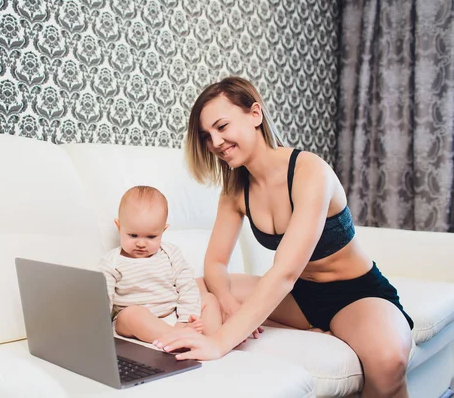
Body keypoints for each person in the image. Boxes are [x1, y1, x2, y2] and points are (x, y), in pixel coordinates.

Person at [152, 77, 414, 398]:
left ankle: (340, 329)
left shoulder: (309, 172)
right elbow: (216, 262)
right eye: (207, 136)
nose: (216, 142)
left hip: (354, 293)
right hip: (302, 297)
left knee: (389, 363)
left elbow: (284, 273)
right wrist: (227, 301)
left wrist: (219, 343)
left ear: (255, 114)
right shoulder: (235, 191)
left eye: (222, 126)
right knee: (200, 283)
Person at [99, 185, 223, 344]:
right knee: (131, 314)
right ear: (119, 227)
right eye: (133, 235)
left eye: (151, 237)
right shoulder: (111, 262)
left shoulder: (171, 253)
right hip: (136, 320)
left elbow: (187, 286)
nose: (141, 243)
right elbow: (104, 299)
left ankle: (212, 340)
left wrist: (184, 319)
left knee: (209, 299)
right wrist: (97, 328)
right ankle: (180, 337)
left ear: (163, 231)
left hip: (173, 314)